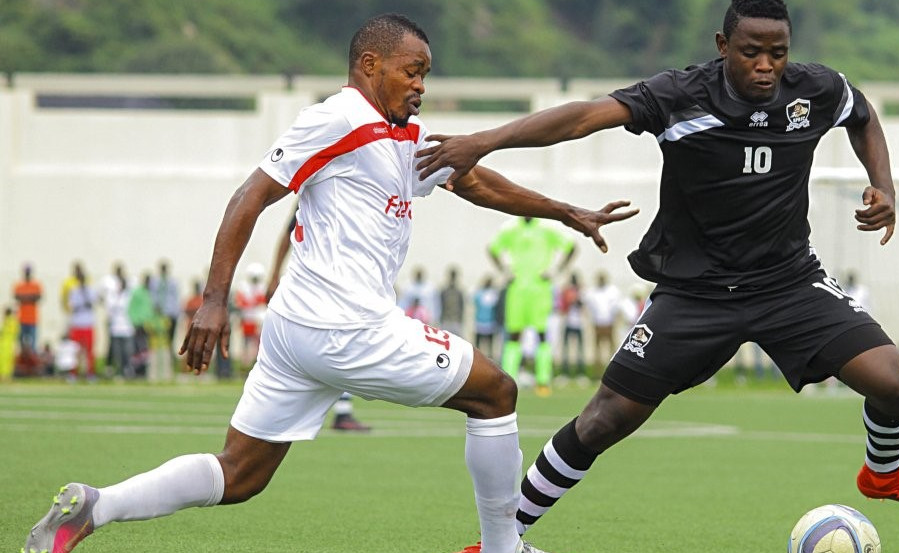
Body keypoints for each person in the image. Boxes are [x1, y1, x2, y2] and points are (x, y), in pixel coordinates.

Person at [21, 14, 637, 553]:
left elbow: (472, 180)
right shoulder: (338, 117)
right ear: (370, 65)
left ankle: (92, 507)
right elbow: (251, 195)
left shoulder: (403, 134)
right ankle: (503, 549)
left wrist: (563, 211)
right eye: (412, 71)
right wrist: (214, 301)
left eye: (426, 74)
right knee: (495, 391)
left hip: (297, 331)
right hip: (345, 326)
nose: (421, 86)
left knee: (240, 476)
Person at [416, 1, 899, 544]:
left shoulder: (814, 90)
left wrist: (885, 187)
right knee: (604, 420)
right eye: (751, 52)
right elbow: (583, 117)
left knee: (894, 384)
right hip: (695, 293)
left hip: (789, 283)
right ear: (723, 46)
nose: (766, 66)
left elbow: (862, 113)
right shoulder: (679, 96)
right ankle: (502, 538)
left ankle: (883, 475)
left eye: (778, 53)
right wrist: (485, 141)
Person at [267, 205, 371, 431]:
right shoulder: (317, 191)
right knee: (344, 344)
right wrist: (274, 275)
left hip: (340, 287)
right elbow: (288, 233)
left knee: (345, 345)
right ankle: (338, 412)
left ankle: (338, 411)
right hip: (319, 286)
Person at [489, 217, 576, 397]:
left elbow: (571, 246)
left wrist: (556, 270)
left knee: (542, 334)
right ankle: (508, 380)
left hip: (540, 289)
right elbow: (492, 249)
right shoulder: (511, 228)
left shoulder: (547, 228)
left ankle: (542, 381)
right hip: (517, 288)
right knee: (514, 335)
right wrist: (504, 270)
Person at [66, 270, 98, 381]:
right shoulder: (74, 291)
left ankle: (91, 373)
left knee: (89, 351)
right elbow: (72, 306)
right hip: (77, 324)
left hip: (88, 324)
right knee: (75, 351)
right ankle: (73, 373)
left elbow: (92, 304)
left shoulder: (91, 291)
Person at [557, 272, 586, 382]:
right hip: (568, 322)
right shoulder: (567, 291)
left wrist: (577, 297)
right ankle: (565, 373)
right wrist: (569, 298)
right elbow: (562, 306)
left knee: (580, 350)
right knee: (565, 349)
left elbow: (582, 305)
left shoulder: (581, 291)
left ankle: (581, 373)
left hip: (579, 323)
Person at [13, 263, 43, 354]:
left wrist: (25, 298)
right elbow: (17, 297)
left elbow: (38, 297)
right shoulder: (19, 286)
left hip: (32, 319)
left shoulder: (36, 285)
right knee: (21, 343)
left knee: (33, 344)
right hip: (21, 319)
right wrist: (30, 298)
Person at [473, 274, 502, 361]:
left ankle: (477, 359)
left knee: (479, 344)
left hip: (481, 321)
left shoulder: (479, 293)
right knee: (489, 344)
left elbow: (475, 302)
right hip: (490, 322)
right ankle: (489, 359)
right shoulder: (494, 294)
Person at [439, 266, 467, 336]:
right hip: (446, 320)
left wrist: (461, 320)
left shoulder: (459, 292)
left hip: (456, 321)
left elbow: (462, 306)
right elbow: (441, 305)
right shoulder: (444, 291)